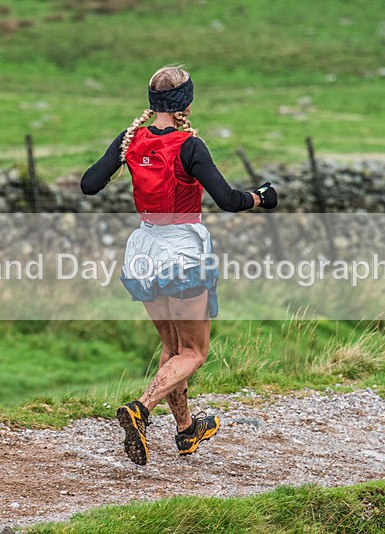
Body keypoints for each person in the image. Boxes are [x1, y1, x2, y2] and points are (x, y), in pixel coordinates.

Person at [80, 65, 278, 465]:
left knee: (172, 348)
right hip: (182, 251)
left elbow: (88, 183)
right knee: (194, 351)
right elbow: (226, 199)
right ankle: (141, 408)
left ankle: (186, 430)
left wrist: (125, 158)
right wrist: (261, 197)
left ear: (153, 102)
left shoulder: (131, 139)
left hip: (143, 249)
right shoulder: (190, 146)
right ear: (187, 101)